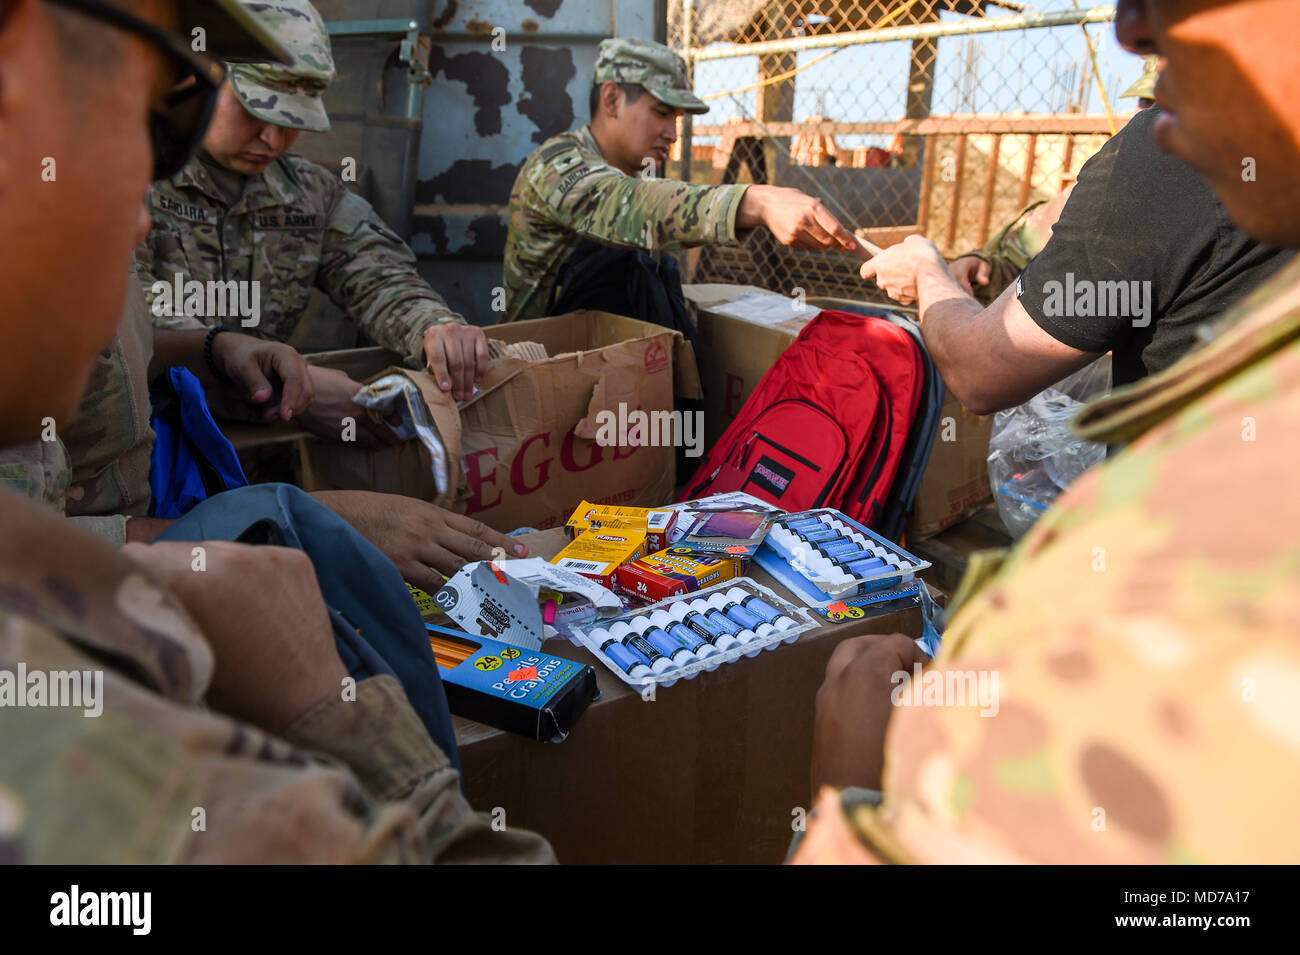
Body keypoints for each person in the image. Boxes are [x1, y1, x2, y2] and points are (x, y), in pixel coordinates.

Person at [0, 0, 551, 864]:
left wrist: (227, 347)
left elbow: (372, 273)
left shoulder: (309, 194)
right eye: (139, 114)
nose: (271, 140)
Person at [798, 0, 1300, 864]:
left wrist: (928, 280)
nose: (1130, 29)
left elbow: (984, 368)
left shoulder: (1171, 155)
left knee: (863, 687)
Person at [134, 0, 491, 427]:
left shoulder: (311, 193)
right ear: (202, 76)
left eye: (292, 120)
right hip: (151, 446)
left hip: (263, 446)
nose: (272, 137)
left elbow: (379, 279)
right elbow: (125, 313)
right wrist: (279, 379)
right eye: (256, 111)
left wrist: (434, 328)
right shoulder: (134, 180)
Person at [860, 70, 1294, 413]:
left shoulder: (1180, 151)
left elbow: (981, 374)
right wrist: (982, 257)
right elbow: (1042, 243)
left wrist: (925, 271)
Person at [502, 37, 860, 323]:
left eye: (677, 119)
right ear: (611, 99)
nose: (673, 134)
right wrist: (756, 201)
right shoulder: (556, 165)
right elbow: (626, 205)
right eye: (661, 113)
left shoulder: (633, 171)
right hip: (538, 375)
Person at [946, 55, 1159, 303]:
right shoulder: (1097, 187)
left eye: (1171, 103)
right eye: (1147, 101)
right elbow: (1017, 261)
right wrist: (982, 268)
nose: (1150, 115)